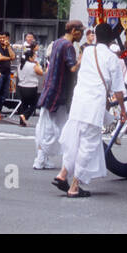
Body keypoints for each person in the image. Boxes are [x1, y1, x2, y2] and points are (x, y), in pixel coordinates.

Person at [54, 22, 126, 199]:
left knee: (74, 139)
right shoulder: (112, 58)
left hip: (79, 100)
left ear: (96, 36)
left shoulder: (87, 51)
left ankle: (63, 174)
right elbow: (118, 90)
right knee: (87, 144)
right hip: (94, 103)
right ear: (111, 39)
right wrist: (123, 110)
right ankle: (74, 186)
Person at [33, 20, 83, 170]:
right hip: (59, 92)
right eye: (80, 31)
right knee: (54, 127)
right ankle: (42, 159)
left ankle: (42, 158)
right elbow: (72, 68)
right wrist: (81, 59)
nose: (81, 35)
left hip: (50, 89)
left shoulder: (57, 43)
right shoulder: (68, 46)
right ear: (74, 30)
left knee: (46, 126)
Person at [15, 47, 43, 126]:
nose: (35, 58)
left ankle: (22, 121)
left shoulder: (20, 65)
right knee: (34, 104)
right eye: (34, 56)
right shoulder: (33, 65)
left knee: (24, 104)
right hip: (31, 87)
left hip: (21, 87)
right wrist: (38, 64)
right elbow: (41, 73)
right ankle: (25, 116)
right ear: (30, 57)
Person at [0, 31, 15, 118]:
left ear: (8, 38)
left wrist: (8, 47)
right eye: (0, 38)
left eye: (3, 38)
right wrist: (9, 58)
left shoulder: (9, 47)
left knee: (4, 94)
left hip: (7, 73)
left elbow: (14, 56)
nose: (1, 39)